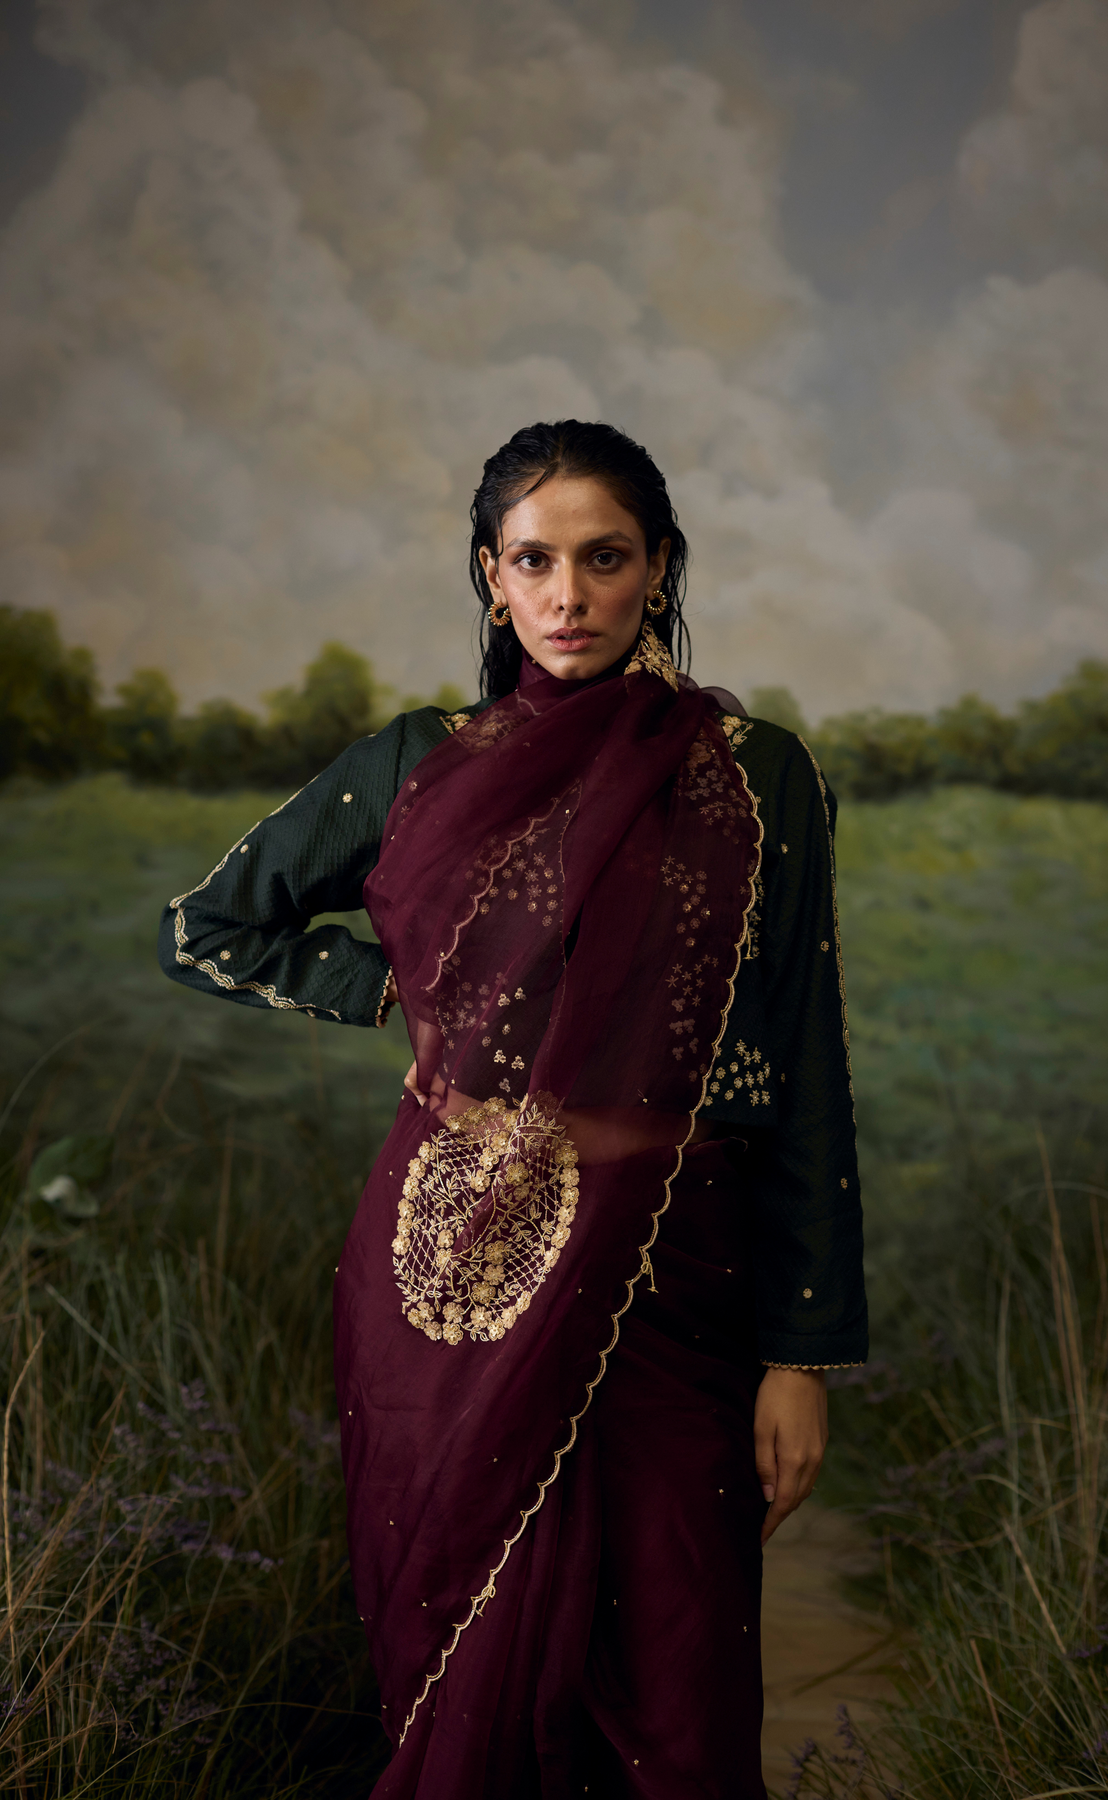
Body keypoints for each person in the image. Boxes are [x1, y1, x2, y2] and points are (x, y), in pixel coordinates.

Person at [159, 419, 866, 1799]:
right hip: (456, 1278)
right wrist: (404, 997)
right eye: (534, 560)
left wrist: (803, 1355)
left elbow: (805, 1067)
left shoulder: (756, 775)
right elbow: (209, 926)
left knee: (677, 1672)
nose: (569, 596)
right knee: (469, 1667)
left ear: (659, 570)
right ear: (491, 576)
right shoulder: (423, 762)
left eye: (604, 559)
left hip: (679, 1281)